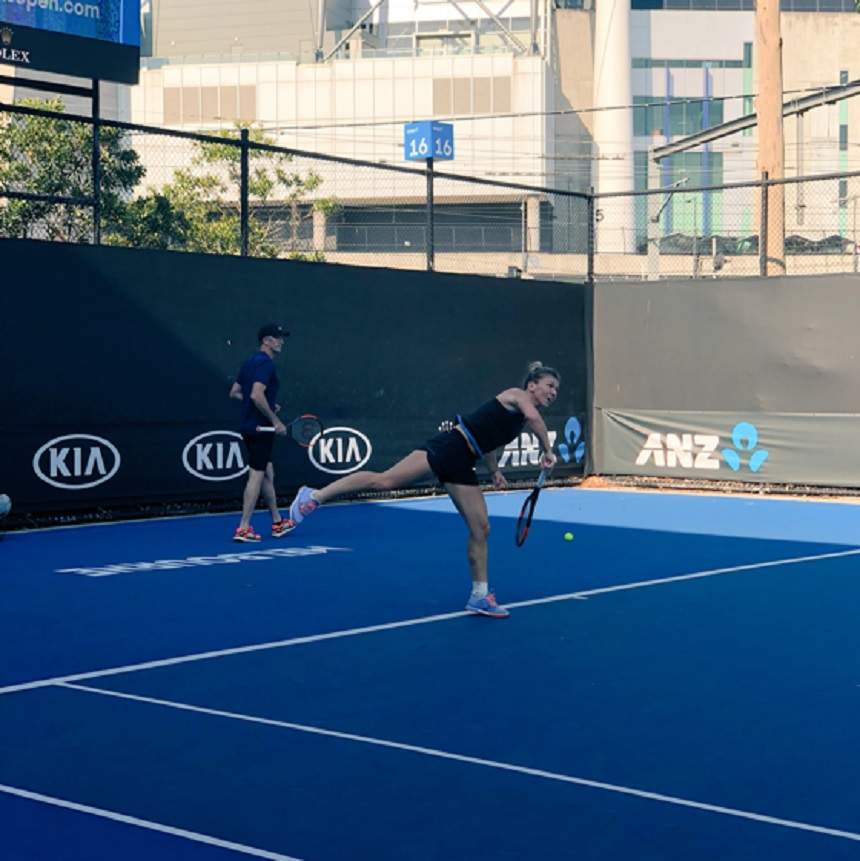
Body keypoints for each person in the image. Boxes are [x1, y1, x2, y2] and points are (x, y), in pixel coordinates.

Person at [287, 361, 560, 618]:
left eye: (556, 389)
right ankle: (313, 496)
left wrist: (495, 471)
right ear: (532, 385)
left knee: (481, 528)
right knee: (385, 481)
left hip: (464, 461)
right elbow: (535, 419)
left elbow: (490, 442)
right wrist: (548, 450)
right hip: (450, 445)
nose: (553, 392)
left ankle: (479, 595)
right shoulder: (517, 396)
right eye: (549, 385)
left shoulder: (517, 420)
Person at [229, 323, 295, 542]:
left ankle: (277, 522)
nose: (282, 341)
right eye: (278, 338)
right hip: (261, 428)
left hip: (249, 427)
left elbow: (236, 392)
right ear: (267, 341)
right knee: (256, 475)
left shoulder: (250, 362)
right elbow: (257, 395)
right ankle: (244, 527)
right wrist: (275, 420)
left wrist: (267, 405)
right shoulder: (266, 364)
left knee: (266, 472)